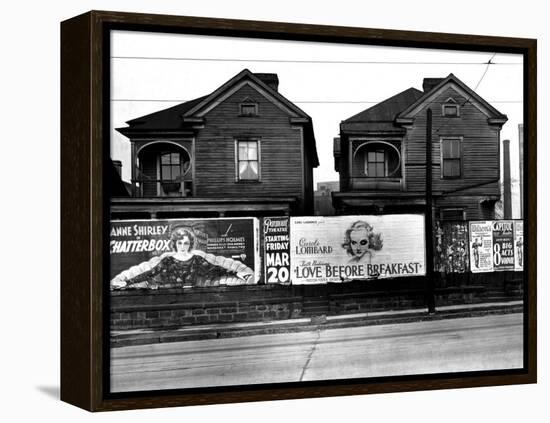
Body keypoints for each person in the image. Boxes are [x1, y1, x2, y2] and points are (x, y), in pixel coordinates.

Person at [111, 227, 254, 289]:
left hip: (193, 295)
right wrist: (127, 282)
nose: (183, 245)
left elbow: (216, 269)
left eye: (186, 242)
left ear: (190, 243)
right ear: (175, 243)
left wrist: (238, 273)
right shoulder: (168, 260)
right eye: (180, 242)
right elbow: (150, 273)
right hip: (169, 295)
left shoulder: (196, 259)